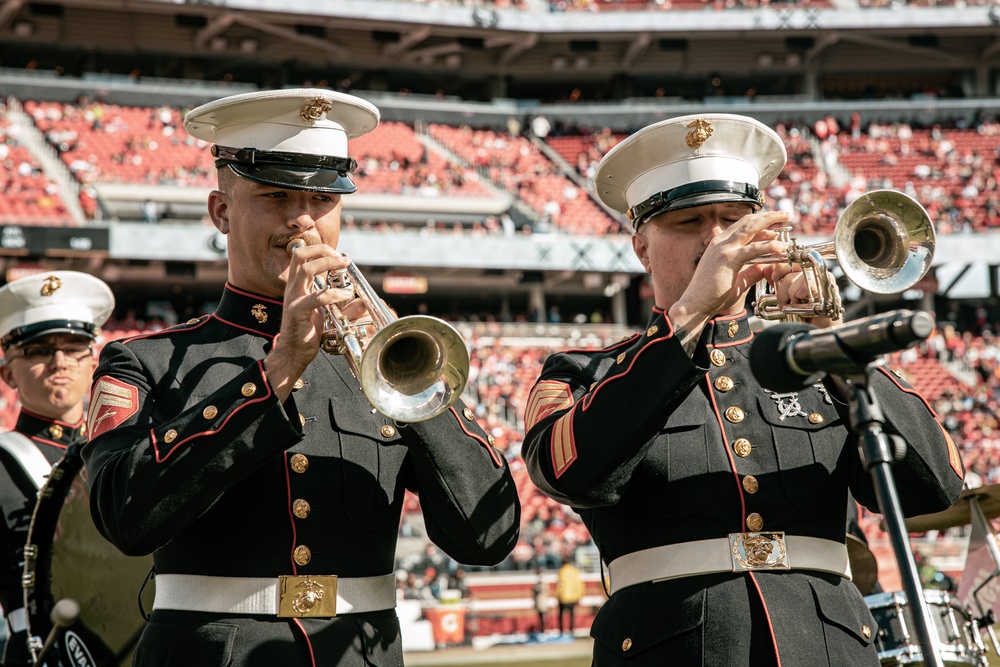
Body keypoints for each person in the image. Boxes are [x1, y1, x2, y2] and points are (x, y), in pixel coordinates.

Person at [81, 88, 520, 667]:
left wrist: (414, 380)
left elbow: (487, 537)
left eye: (323, 200)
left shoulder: (378, 355)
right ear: (221, 211)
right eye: (276, 196)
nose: (303, 221)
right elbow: (124, 518)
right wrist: (276, 372)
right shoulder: (148, 360)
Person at [521, 113, 965, 666]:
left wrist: (829, 339)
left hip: (830, 648)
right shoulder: (584, 372)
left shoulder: (813, 356)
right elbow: (570, 474)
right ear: (641, 247)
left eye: (734, 220)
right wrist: (686, 316)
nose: (716, 240)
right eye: (688, 222)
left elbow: (936, 486)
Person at [0, 270, 114, 667]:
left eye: (74, 347)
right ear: (8, 373)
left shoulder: (119, 452)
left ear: (94, 360)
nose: (59, 362)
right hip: (37, 652)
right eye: (38, 350)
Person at [555, 560, 584, 636]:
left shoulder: (561, 571)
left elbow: (559, 585)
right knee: (572, 615)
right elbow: (579, 585)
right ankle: (572, 631)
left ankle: (561, 631)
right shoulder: (574, 571)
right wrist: (579, 596)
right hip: (573, 598)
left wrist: (557, 596)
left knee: (561, 615)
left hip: (563, 598)